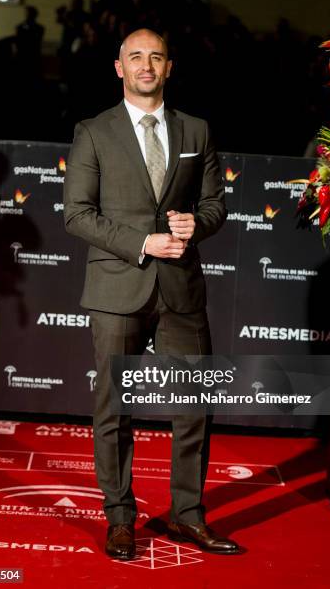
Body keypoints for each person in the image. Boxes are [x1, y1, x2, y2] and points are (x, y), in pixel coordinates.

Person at [63, 28, 241, 560]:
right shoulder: (93, 131)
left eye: (155, 57)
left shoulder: (196, 130)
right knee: (115, 408)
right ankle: (121, 517)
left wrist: (197, 223)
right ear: (119, 68)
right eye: (135, 57)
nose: (146, 65)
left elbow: (216, 203)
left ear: (169, 68)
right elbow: (77, 214)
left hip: (181, 289)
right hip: (119, 286)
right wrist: (142, 241)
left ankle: (188, 514)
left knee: (193, 407)